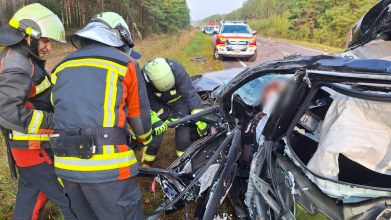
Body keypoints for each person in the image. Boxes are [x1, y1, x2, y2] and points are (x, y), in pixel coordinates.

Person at [50, 12, 165, 220]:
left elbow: (61, 109)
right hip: (107, 169)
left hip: (65, 165)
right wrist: (144, 138)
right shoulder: (125, 63)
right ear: (120, 38)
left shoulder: (61, 67)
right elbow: (139, 118)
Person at [0, 4, 77, 220]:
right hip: (35, 149)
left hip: (30, 150)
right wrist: (56, 121)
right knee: (71, 199)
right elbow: (7, 112)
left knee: (31, 198)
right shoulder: (16, 65)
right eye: (45, 41)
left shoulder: (24, 58)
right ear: (28, 36)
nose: (49, 48)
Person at [141, 57, 208, 167]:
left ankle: (183, 161)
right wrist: (164, 116)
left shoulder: (179, 71)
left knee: (184, 128)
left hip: (178, 101)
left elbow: (190, 94)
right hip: (158, 103)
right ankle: (147, 162)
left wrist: (200, 117)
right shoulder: (144, 79)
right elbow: (150, 101)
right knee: (157, 131)